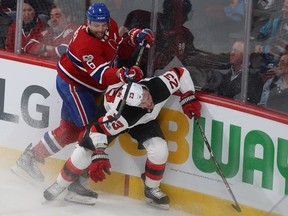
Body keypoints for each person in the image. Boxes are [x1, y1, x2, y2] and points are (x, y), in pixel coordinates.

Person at [11, 2, 154, 198]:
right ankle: (77, 184)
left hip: (87, 88)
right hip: (75, 86)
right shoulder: (85, 43)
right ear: (88, 23)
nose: (100, 28)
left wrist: (133, 38)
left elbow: (118, 50)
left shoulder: (110, 25)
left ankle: (28, 160)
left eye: (103, 24)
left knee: (68, 131)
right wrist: (124, 74)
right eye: (96, 25)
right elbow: (101, 75)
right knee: (90, 131)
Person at [43, 67, 201, 209]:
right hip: (110, 116)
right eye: (142, 103)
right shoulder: (122, 115)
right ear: (134, 105)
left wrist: (188, 96)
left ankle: (151, 188)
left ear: (144, 89)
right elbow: (97, 128)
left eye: (146, 96)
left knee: (159, 150)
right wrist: (99, 152)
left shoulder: (159, 86)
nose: (149, 103)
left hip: (144, 121)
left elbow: (181, 73)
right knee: (85, 152)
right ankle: (60, 184)